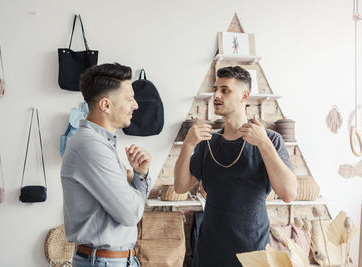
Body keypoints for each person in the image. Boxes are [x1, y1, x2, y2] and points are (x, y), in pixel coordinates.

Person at [174, 66, 297, 267]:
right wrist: (187, 146)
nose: (216, 95)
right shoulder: (208, 141)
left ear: (244, 96)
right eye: (216, 89)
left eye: (225, 90)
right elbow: (180, 187)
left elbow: (289, 193)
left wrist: (264, 144)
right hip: (208, 254)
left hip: (253, 255)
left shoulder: (271, 139)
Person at [61, 63, 152, 267]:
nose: (136, 105)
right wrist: (134, 182)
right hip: (104, 262)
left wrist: (139, 175)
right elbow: (130, 214)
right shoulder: (91, 146)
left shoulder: (100, 143)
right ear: (106, 105)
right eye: (129, 99)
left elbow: (130, 209)